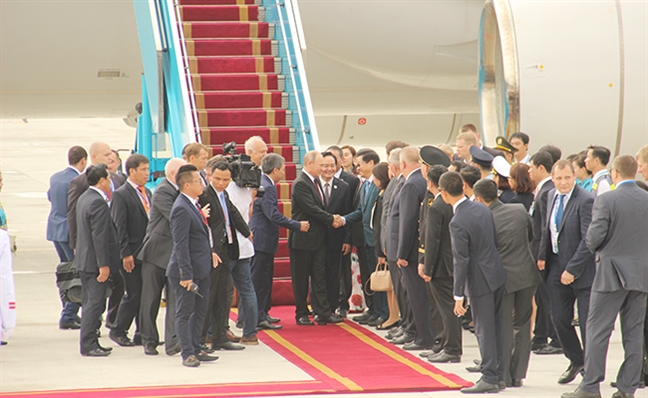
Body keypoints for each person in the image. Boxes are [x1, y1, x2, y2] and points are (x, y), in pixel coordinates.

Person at [562, 155, 648, 398]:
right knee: (633, 332)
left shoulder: (607, 199)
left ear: (615, 173)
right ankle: (627, 388)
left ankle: (590, 385)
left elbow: (593, 238)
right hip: (641, 275)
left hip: (610, 274)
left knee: (598, 330)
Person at [440, 171, 507, 393]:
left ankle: (489, 376)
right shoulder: (481, 207)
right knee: (495, 328)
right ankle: (497, 374)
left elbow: (461, 260)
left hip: (479, 280)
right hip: (496, 274)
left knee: (484, 329)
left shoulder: (457, 221)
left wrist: (458, 294)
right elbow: (493, 240)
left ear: (443, 193)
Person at [474, 179, 541, 387]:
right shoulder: (519, 210)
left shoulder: (484, 218)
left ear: (478, 199)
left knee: (502, 326)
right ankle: (517, 375)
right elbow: (530, 236)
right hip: (527, 275)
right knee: (523, 325)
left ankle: (501, 375)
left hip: (502, 279)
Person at [538, 160, 595, 385]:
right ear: (553, 178)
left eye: (567, 178)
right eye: (559, 178)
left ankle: (590, 375)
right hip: (555, 266)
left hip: (581, 270)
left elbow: (588, 239)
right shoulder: (550, 196)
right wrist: (542, 256)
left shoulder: (586, 200)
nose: (563, 183)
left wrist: (572, 269)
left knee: (586, 325)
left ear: (575, 177)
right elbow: (549, 229)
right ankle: (576, 359)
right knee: (559, 319)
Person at [67, 141, 126, 329]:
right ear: (94, 158)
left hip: (115, 246)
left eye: (111, 154)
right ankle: (92, 332)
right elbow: (74, 216)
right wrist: (76, 244)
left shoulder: (117, 179)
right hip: (95, 253)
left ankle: (111, 319)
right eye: (106, 154)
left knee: (118, 285)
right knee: (94, 298)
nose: (110, 157)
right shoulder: (82, 184)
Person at [200, 161, 256, 349]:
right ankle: (202, 339)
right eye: (217, 179)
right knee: (210, 296)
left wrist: (247, 232)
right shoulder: (205, 195)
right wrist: (211, 250)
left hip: (227, 249)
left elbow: (233, 214)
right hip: (213, 251)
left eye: (225, 180)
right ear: (209, 176)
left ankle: (220, 337)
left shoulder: (223, 194)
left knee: (223, 296)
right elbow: (203, 226)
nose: (221, 183)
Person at [167, 164, 219, 367]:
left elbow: (199, 237)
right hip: (187, 271)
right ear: (187, 185)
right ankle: (187, 352)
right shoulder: (181, 208)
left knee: (200, 311)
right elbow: (181, 244)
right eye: (199, 181)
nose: (202, 184)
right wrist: (185, 274)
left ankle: (196, 347)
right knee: (185, 312)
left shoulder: (193, 204)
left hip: (201, 268)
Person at [250, 154, 308, 330]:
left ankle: (261, 313)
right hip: (262, 238)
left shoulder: (264, 182)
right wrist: (297, 225)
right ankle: (258, 317)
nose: (284, 172)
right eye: (282, 168)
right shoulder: (267, 186)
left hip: (262, 238)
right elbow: (272, 214)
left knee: (263, 278)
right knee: (259, 280)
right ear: (275, 170)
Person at [289, 151, 343, 325]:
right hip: (303, 240)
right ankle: (301, 313)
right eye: (320, 165)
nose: (322, 168)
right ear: (310, 163)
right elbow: (311, 208)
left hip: (318, 239)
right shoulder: (301, 183)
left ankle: (323, 311)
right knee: (301, 279)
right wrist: (331, 219)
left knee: (319, 277)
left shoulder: (315, 182)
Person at [137, 158, 185, 356]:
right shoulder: (164, 190)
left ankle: (173, 341)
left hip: (173, 255)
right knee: (151, 299)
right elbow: (176, 216)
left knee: (175, 299)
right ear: (174, 174)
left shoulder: (179, 191)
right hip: (156, 253)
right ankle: (149, 339)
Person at [390, 146, 436, 351]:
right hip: (421, 249)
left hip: (411, 251)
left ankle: (424, 337)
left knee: (417, 296)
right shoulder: (422, 181)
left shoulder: (411, 184)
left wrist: (401, 253)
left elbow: (407, 221)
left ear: (402, 164)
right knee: (420, 296)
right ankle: (424, 334)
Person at [75, 164, 121, 357]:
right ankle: (89, 343)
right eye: (108, 178)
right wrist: (104, 265)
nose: (110, 182)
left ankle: (92, 340)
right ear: (101, 180)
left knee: (90, 302)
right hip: (95, 264)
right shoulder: (97, 202)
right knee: (94, 303)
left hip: (85, 261)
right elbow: (99, 236)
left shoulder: (84, 198)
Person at [419, 164, 463, 364]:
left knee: (447, 309)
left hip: (441, 266)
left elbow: (432, 240)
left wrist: (428, 269)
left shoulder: (437, 207)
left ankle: (452, 349)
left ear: (431, 183)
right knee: (448, 308)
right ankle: (447, 345)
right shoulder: (449, 204)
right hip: (451, 263)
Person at [108, 154, 151, 347]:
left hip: (146, 252)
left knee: (144, 294)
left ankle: (142, 332)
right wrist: (125, 253)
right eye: (143, 170)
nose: (147, 173)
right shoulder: (121, 194)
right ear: (132, 171)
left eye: (147, 169)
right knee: (133, 293)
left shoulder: (146, 192)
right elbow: (119, 227)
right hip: (131, 252)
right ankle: (118, 329)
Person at [226, 136, 267, 339]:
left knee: (225, 291)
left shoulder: (228, 190)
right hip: (244, 244)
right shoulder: (248, 188)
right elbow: (248, 214)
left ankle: (220, 329)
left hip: (231, 245)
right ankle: (250, 332)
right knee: (247, 290)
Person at [342, 149, 386, 326]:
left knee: (379, 277)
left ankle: (383, 312)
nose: (357, 168)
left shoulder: (379, 186)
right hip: (365, 240)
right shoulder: (364, 185)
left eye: (359, 164)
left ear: (371, 163)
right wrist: (343, 220)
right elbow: (361, 211)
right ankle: (373, 309)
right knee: (369, 276)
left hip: (376, 240)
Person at [46, 146, 87, 329]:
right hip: (69, 231)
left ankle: (68, 310)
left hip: (55, 229)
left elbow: (50, 197)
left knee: (65, 272)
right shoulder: (77, 180)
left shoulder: (55, 177)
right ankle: (68, 315)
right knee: (75, 275)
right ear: (83, 161)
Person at [528, 150, 562, 355]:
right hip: (539, 250)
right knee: (541, 297)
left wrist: (541, 255)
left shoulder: (547, 190)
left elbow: (544, 228)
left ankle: (556, 338)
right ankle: (540, 335)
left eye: (532, 167)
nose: (529, 171)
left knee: (547, 297)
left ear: (541, 168)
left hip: (543, 253)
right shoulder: (543, 189)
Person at [382, 148, 416, 343]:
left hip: (402, 247)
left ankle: (409, 327)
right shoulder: (397, 182)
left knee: (406, 291)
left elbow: (406, 220)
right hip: (393, 244)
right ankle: (405, 324)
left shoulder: (407, 183)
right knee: (400, 289)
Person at [324, 145, 359, 318]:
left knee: (343, 270)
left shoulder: (350, 181)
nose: (330, 166)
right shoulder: (318, 180)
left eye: (334, 161)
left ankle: (343, 303)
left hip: (342, 233)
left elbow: (350, 210)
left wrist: (348, 238)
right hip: (323, 236)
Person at [319, 152, 351, 321]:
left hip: (336, 238)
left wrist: (347, 239)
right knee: (318, 275)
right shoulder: (313, 184)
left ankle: (331, 309)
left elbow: (347, 213)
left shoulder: (344, 186)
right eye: (325, 165)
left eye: (332, 165)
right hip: (316, 238)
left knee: (333, 274)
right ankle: (319, 308)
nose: (329, 169)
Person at [370, 162, 400, 330]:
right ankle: (391, 314)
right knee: (390, 286)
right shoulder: (382, 194)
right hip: (381, 243)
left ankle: (394, 315)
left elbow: (382, 224)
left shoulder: (385, 195)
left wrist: (381, 249)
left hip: (385, 244)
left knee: (392, 285)